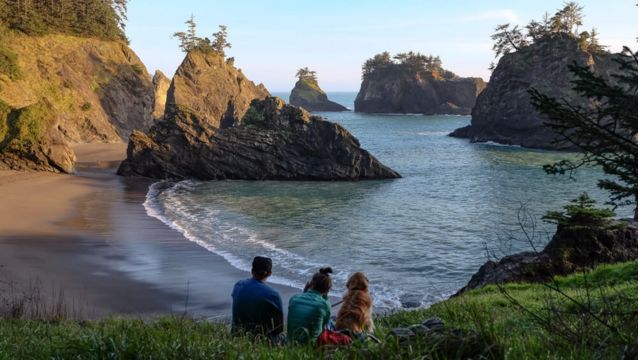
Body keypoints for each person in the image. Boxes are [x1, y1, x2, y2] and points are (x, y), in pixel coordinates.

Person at [231, 256, 283, 339]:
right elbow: (279, 328)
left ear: (252, 271)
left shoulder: (238, 285)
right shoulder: (273, 294)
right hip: (260, 340)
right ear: (270, 273)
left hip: (236, 335)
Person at [287, 267, 333, 344]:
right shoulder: (324, 304)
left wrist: (304, 293)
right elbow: (324, 325)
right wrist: (325, 298)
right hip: (311, 346)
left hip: (290, 342)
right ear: (327, 289)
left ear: (311, 284)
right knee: (332, 322)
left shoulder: (294, 299)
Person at [335, 272, 375, 339]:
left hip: (338, 330)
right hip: (353, 334)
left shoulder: (347, 297)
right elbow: (368, 320)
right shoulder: (366, 298)